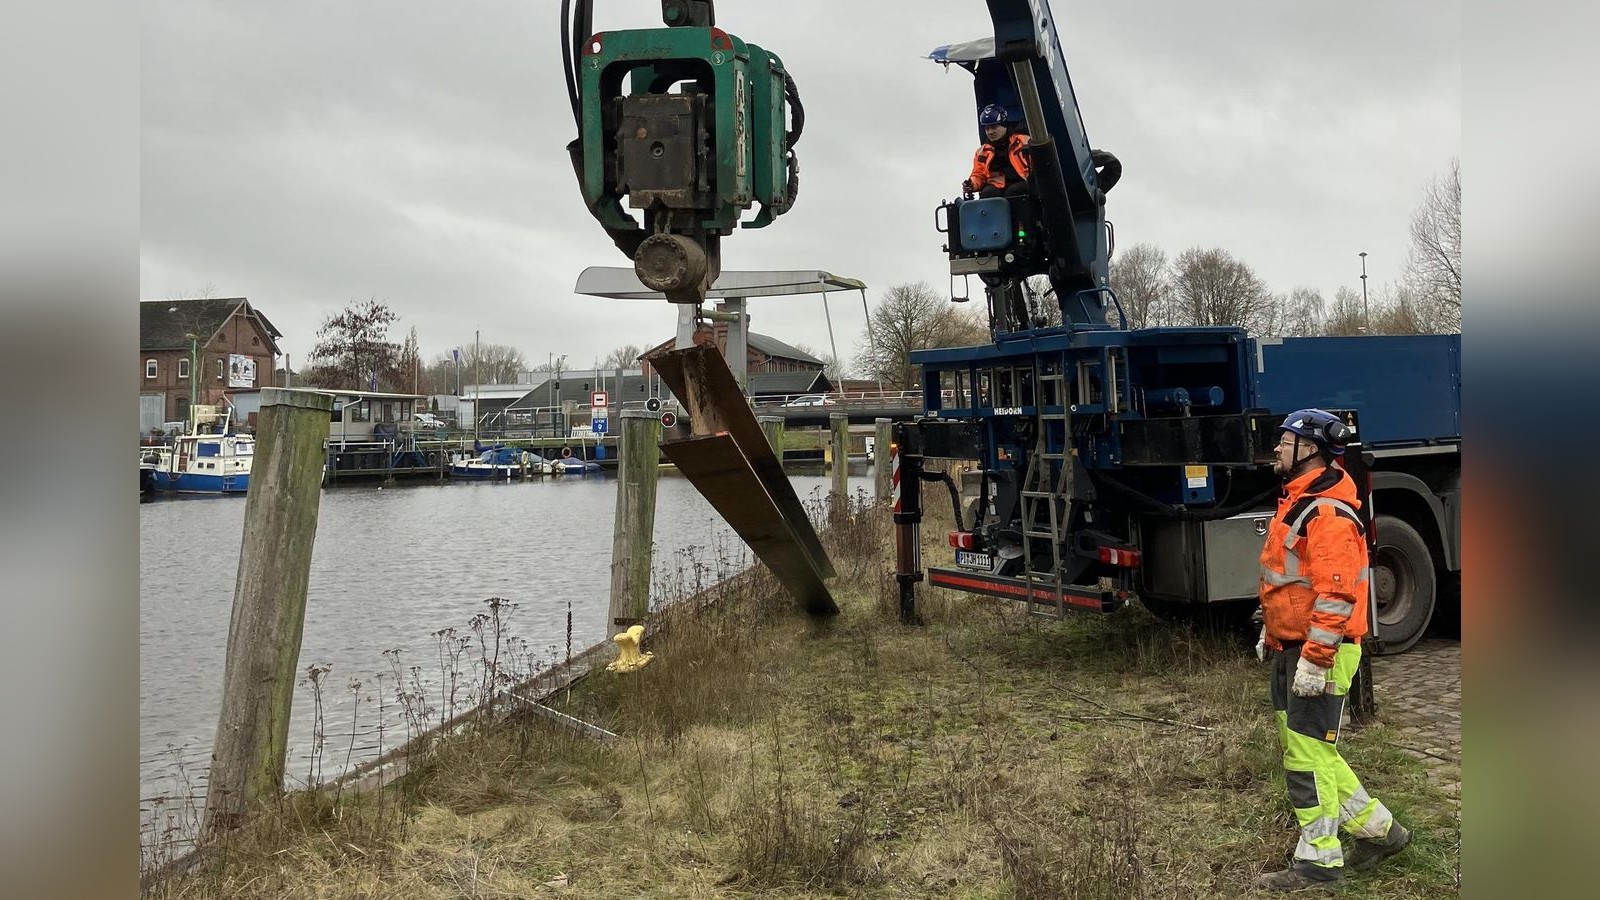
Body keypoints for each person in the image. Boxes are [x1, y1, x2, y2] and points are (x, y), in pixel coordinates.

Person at [1252, 408, 1411, 891]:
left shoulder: (1325, 513)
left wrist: (1316, 660)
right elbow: (1291, 583)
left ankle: (1319, 862)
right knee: (1313, 750)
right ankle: (1381, 833)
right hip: (1295, 647)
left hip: (1319, 653)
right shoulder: (1301, 502)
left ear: (1310, 450)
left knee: (1306, 758)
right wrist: (1271, 630)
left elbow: (1337, 594)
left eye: (1285, 441)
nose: (1277, 448)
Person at [963, 104, 1031, 198]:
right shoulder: (982, 152)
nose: (990, 132)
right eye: (987, 128)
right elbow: (978, 174)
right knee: (988, 193)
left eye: (994, 127)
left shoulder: (1023, 142)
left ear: (1004, 125)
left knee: (1013, 192)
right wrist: (971, 184)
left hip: (1022, 181)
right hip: (997, 185)